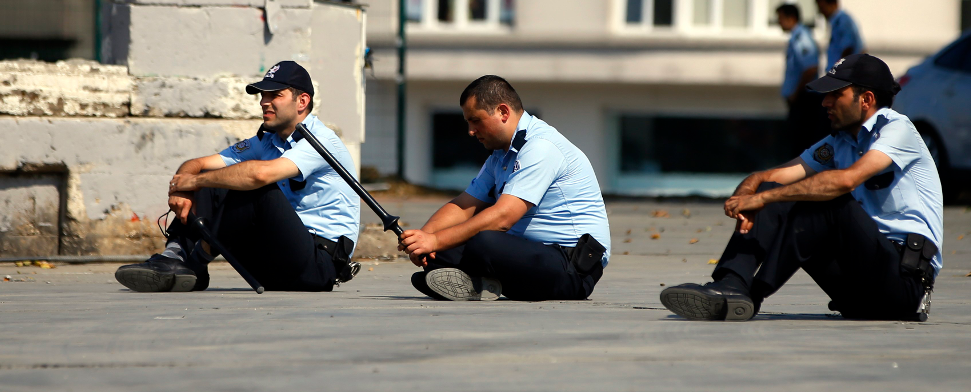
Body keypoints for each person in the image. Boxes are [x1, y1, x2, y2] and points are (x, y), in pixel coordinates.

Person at [659, 54, 943, 321]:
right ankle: (732, 284)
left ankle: (750, 295)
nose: (825, 102)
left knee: (829, 201)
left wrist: (765, 197)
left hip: (902, 286)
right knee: (780, 190)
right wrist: (750, 193)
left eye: (835, 94)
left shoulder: (897, 129)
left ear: (866, 99)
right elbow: (773, 176)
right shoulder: (839, 142)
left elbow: (846, 181)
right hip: (857, 293)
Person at [115, 61, 362, 292]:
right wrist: (183, 187)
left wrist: (196, 181)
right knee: (215, 176)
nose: (264, 102)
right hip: (276, 259)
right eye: (263, 95)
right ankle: (175, 256)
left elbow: (259, 175)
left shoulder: (321, 141)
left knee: (255, 188)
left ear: (302, 101)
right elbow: (199, 164)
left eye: (275, 95)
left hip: (317, 266)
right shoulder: (268, 141)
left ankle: (194, 263)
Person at [398, 75, 611, 301]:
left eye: (475, 120)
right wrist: (423, 239)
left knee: (483, 241)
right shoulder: (500, 156)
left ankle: (478, 281)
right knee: (438, 252)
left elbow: (503, 218)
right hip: (528, 257)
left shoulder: (541, 147)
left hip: (573, 268)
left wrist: (436, 240)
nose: (470, 131)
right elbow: (463, 205)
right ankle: (482, 284)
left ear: (503, 112)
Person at [777, 3, 827, 154]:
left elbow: (810, 68)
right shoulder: (796, 38)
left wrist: (796, 93)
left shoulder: (801, 37)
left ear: (790, 18)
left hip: (804, 99)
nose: (778, 22)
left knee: (801, 145)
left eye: (780, 18)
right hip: (801, 99)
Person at [816, 0, 865, 72]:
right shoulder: (836, 22)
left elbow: (848, 47)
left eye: (822, 8)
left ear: (833, 4)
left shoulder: (842, 21)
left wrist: (839, 71)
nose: (821, 12)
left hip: (842, 75)